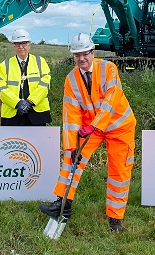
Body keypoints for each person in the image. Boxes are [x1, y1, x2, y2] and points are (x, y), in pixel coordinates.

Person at [38, 33, 136, 232]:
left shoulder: (109, 69)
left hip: (119, 126)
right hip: (91, 128)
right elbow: (70, 113)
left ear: (93, 52)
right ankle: (63, 204)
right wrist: (71, 145)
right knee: (72, 158)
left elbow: (111, 100)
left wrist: (96, 124)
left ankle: (115, 218)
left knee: (119, 171)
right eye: (77, 55)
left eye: (85, 54)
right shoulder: (71, 79)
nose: (81, 59)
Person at [0, 29, 52, 126]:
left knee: (37, 141)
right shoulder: (4, 65)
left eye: (24, 43)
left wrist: (30, 102)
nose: (21, 47)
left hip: (37, 115)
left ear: (29, 45)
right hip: (12, 115)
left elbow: (45, 85)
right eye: (17, 44)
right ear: (14, 46)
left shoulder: (40, 62)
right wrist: (17, 103)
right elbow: (1, 88)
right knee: (13, 141)